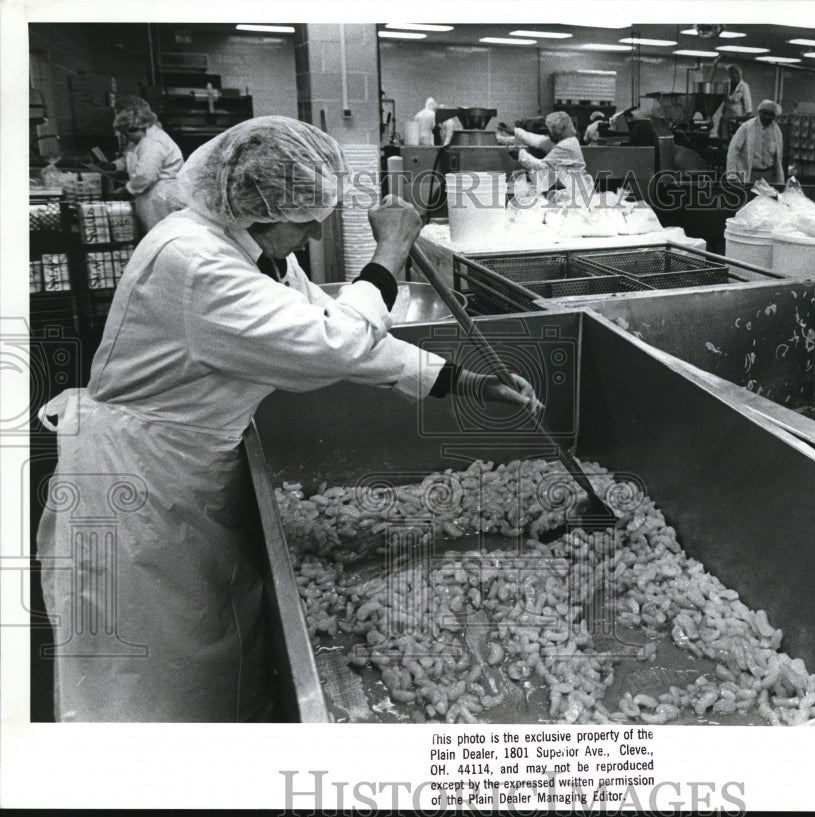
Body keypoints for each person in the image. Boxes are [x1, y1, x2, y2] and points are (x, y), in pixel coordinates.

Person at [35, 116, 540, 722]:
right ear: (258, 204)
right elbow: (335, 344)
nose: (315, 229)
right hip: (138, 485)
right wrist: (390, 251)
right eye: (305, 217)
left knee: (209, 643)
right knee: (150, 679)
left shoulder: (251, 249)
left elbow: (340, 331)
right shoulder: (195, 261)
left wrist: (466, 382)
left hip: (187, 466)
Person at [107, 106, 184, 234]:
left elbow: (145, 175)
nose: (126, 137)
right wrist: (115, 165)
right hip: (151, 195)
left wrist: (127, 189)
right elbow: (132, 157)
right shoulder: (142, 140)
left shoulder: (153, 143)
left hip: (160, 196)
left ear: (137, 128)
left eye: (126, 134)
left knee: (160, 234)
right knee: (154, 234)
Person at [496, 111, 591, 195]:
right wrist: (514, 131)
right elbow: (538, 140)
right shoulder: (563, 139)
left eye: (550, 131)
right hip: (568, 187)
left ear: (558, 131)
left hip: (575, 193)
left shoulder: (567, 146)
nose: (549, 134)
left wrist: (520, 155)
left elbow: (543, 166)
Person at [726, 99, 785, 185]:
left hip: (769, 174)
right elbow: (733, 150)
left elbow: (778, 155)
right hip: (751, 174)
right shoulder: (746, 127)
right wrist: (731, 174)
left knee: (768, 198)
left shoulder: (776, 130)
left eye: (771, 114)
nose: (767, 117)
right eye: (765, 113)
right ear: (759, 112)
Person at [716, 64, 752, 140]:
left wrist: (748, 115)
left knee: (735, 136)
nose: (732, 76)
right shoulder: (725, 83)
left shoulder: (744, 86)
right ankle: (724, 148)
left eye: (734, 73)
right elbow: (721, 97)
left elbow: (747, 101)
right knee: (723, 135)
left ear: (738, 74)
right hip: (727, 113)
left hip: (737, 115)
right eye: (730, 74)